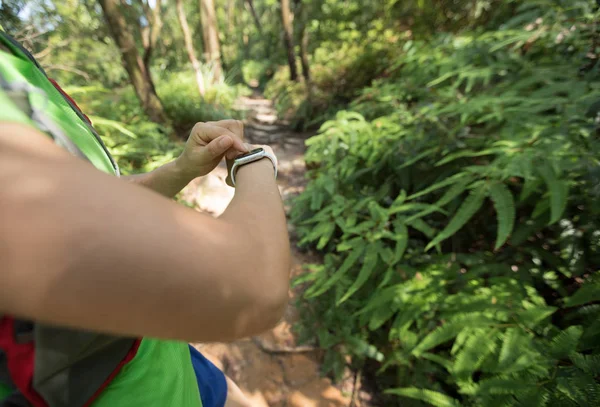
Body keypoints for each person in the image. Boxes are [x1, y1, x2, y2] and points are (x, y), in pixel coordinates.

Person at [0, 30, 290, 407]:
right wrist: (257, 161)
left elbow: (93, 204)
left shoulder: (11, 56)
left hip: (152, 347)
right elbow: (256, 284)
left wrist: (179, 169)